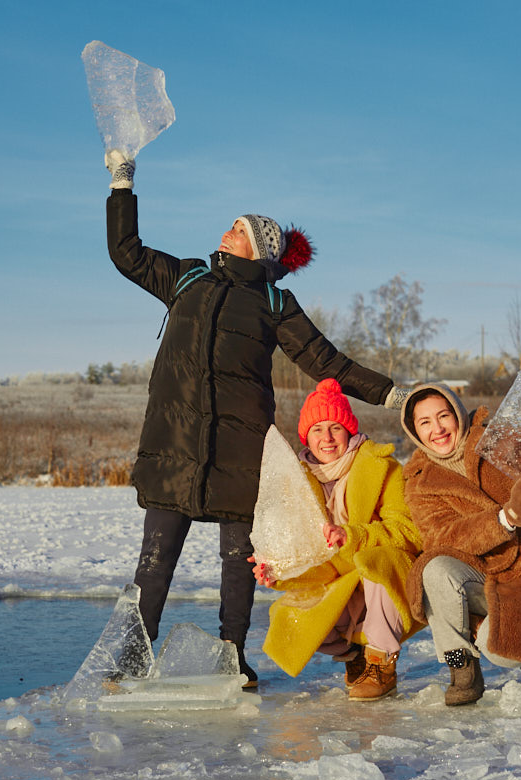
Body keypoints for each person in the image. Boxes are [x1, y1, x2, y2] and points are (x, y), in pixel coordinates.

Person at [103, 151, 408, 687]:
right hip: (175, 443)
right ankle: (132, 653)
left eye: (238, 230)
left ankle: (233, 655)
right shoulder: (185, 278)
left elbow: (326, 362)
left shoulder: (274, 302)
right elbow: (125, 252)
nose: (226, 233)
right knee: (155, 557)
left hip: (243, 450)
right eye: (229, 227)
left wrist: (393, 396)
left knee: (238, 559)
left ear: (260, 248)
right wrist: (122, 184)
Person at [399, 379, 521, 705]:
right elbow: (442, 537)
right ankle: (460, 668)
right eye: (425, 422)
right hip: (484, 577)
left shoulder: (501, 441)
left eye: (443, 415)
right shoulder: (420, 483)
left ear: (458, 413)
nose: (437, 428)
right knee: (432, 569)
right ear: (415, 431)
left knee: (499, 649)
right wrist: (506, 517)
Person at [252, 379, 423, 700]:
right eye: (317, 429)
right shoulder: (296, 483)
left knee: (373, 563)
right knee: (291, 616)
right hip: (337, 580)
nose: (326, 438)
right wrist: (278, 571)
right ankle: (354, 656)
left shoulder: (382, 467)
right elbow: (304, 554)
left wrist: (353, 536)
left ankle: (381, 659)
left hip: (384, 577)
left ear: (350, 430)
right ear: (306, 436)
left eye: (335, 428)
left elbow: (408, 532)